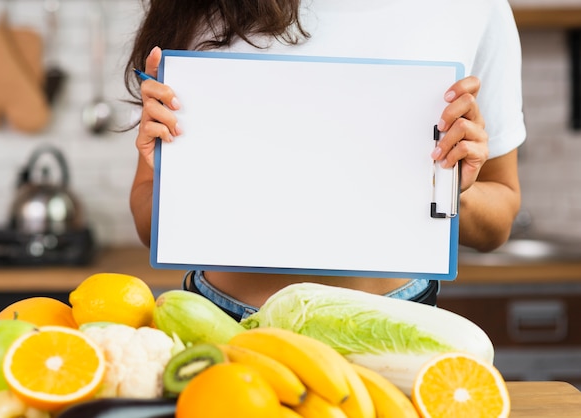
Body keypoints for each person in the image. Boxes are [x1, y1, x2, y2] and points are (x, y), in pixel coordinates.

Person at [124, 0, 525, 320]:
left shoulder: (477, 8)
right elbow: (147, 219)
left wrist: (452, 191)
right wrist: (176, 178)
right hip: (223, 319)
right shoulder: (195, 7)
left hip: (395, 320)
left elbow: (498, 222)